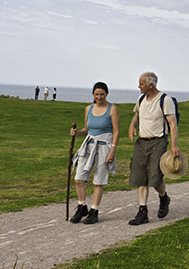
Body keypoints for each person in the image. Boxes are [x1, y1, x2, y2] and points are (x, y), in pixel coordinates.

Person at [127, 71, 179, 225]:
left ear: (151, 85)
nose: (139, 86)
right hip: (141, 142)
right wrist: (132, 126)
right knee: (140, 176)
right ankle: (142, 211)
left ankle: (164, 198)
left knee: (155, 178)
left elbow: (172, 124)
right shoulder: (141, 98)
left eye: (141, 84)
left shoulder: (165, 100)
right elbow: (136, 116)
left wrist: (174, 145)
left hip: (158, 142)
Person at [69, 82, 120, 224]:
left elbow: (116, 132)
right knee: (79, 179)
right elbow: (86, 129)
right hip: (88, 145)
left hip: (104, 146)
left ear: (106, 94)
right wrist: (77, 133)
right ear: (93, 94)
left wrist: (112, 151)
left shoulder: (112, 109)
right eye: (96, 94)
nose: (99, 97)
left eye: (102, 94)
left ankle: (94, 211)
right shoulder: (88, 108)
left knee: (98, 180)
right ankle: (81, 207)